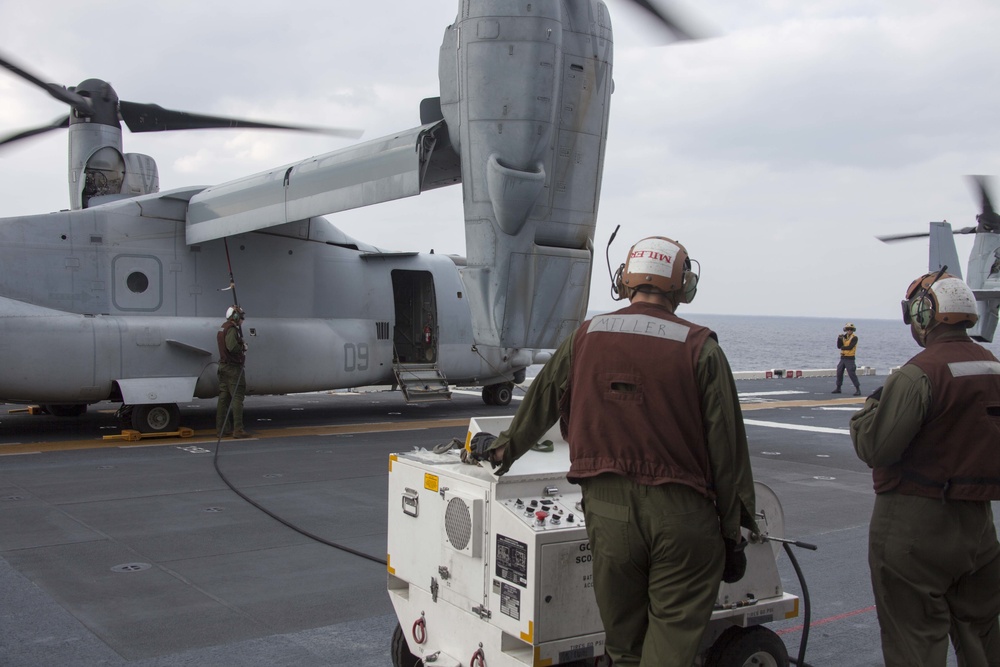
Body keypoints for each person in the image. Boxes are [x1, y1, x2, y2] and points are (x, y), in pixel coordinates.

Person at [467, 236, 757, 667]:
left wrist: (501, 452)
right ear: (682, 285)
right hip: (683, 517)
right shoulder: (702, 348)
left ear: (623, 281)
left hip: (607, 513)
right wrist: (734, 534)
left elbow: (542, 399)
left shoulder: (588, 335)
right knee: (669, 650)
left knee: (623, 650)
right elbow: (728, 452)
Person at [849, 270, 1000, 667]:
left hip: (914, 525)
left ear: (923, 314)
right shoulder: (993, 366)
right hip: (979, 527)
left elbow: (876, 446)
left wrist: (870, 409)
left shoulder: (920, 372)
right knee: (982, 636)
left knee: (914, 642)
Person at [216, 305, 251, 439]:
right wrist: (242, 346)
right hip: (233, 369)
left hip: (223, 367)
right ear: (235, 317)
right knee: (237, 398)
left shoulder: (222, 328)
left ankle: (222, 429)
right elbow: (232, 347)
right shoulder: (231, 329)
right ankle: (238, 430)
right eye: (241, 317)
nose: (242, 320)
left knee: (223, 399)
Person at [833, 322, 861, 395]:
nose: (849, 331)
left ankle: (858, 389)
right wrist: (839, 339)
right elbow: (839, 346)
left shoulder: (854, 337)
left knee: (851, 374)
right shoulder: (843, 337)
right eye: (848, 329)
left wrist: (843, 347)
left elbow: (850, 347)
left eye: (850, 329)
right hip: (843, 358)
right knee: (839, 372)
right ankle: (838, 388)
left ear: (853, 330)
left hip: (850, 359)